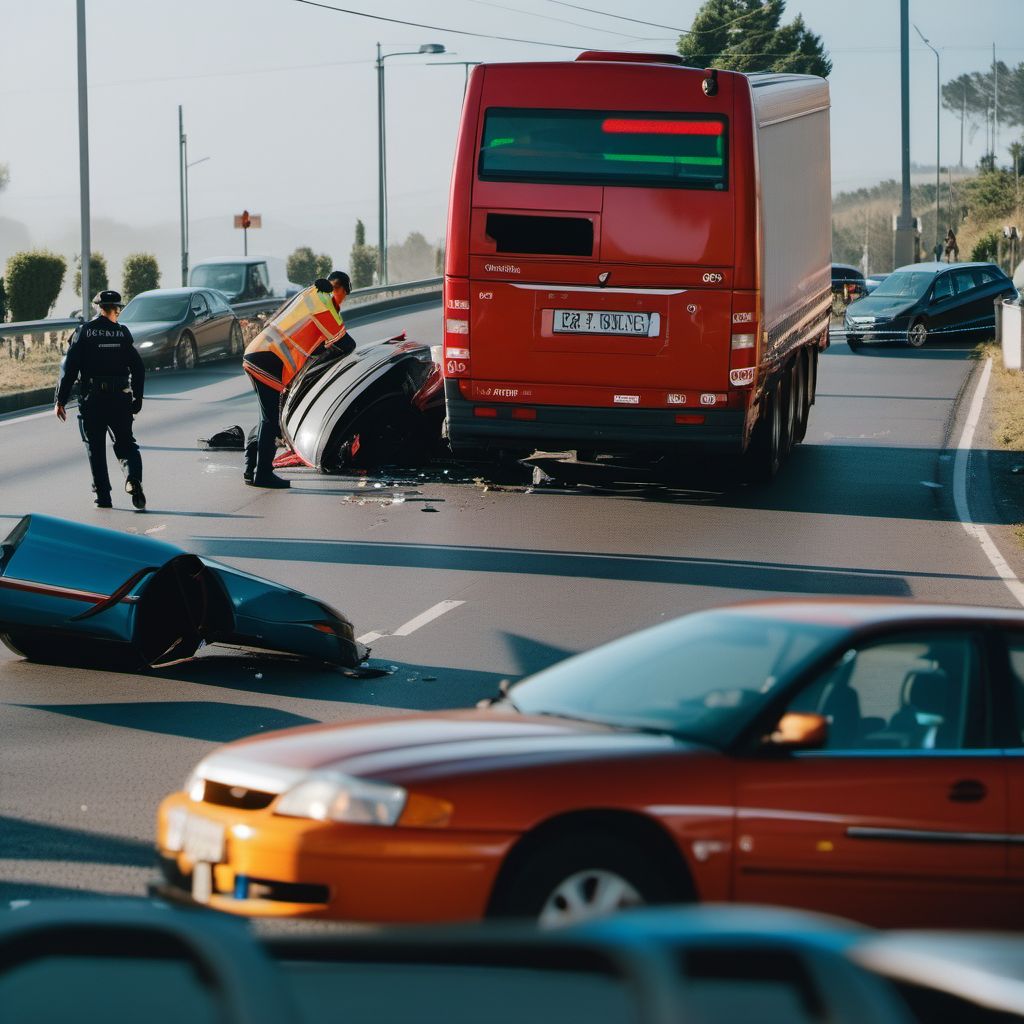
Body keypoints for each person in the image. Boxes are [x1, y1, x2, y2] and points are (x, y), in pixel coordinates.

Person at [242, 272, 353, 487]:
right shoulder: (324, 303)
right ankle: (263, 473)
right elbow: (345, 342)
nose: (343, 300)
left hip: (260, 353)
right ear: (339, 289)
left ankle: (251, 470)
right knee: (270, 420)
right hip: (269, 357)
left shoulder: (313, 295)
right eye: (345, 295)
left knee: (266, 417)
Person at [55, 290, 146, 510]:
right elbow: (138, 368)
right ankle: (133, 477)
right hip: (120, 398)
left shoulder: (83, 332)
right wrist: (137, 398)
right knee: (126, 443)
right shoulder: (123, 333)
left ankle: (103, 497)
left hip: (93, 399)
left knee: (95, 447)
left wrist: (60, 400)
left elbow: (70, 369)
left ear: (98, 307)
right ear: (117, 309)